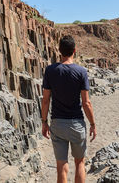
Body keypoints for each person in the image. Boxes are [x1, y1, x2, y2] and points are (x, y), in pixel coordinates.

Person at [41, 35, 97, 183]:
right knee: (79, 163)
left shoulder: (50, 70)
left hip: (57, 124)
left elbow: (45, 100)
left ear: (59, 51)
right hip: (76, 124)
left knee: (61, 166)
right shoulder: (81, 72)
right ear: (74, 50)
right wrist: (92, 124)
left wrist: (44, 122)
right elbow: (86, 103)